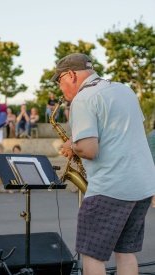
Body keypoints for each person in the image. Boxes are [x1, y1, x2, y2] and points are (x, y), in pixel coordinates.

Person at [52, 53, 155, 275]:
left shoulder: (84, 98)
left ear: (70, 75)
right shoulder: (124, 89)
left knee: (92, 256)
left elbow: (89, 150)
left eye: (59, 81)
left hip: (111, 188)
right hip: (143, 185)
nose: (61, 89)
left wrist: (73, 146)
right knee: (126, 253)